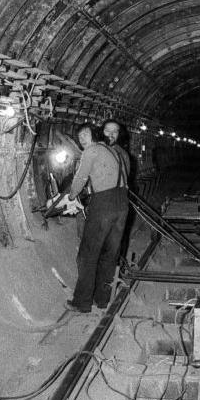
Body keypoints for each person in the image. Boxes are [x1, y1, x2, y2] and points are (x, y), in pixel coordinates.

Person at [55, 123, 128, 313]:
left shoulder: (91, 151)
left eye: (85, 134)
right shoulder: (113, 151)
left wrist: (70, 197)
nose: (82, 139)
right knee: (109, 254)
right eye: (79, 137)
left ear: (94, 135)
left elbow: (80, 179)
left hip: (104, 205)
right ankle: (102, 300)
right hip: (122, 204)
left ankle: (82, 302)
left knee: (87, 255)